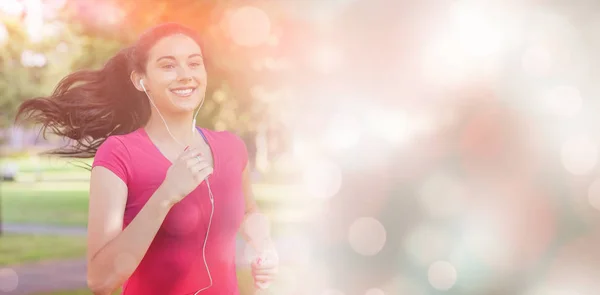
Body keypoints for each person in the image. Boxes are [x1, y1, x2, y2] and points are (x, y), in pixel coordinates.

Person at [15, 23, 278, 295]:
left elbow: (249, 212)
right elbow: (101, 280)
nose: (185, 75)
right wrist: (165, 195)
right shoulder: (119, 154)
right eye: (168, 66)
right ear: (141, 80)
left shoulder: (231, 147)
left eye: (194, 63)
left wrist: (263, 243)